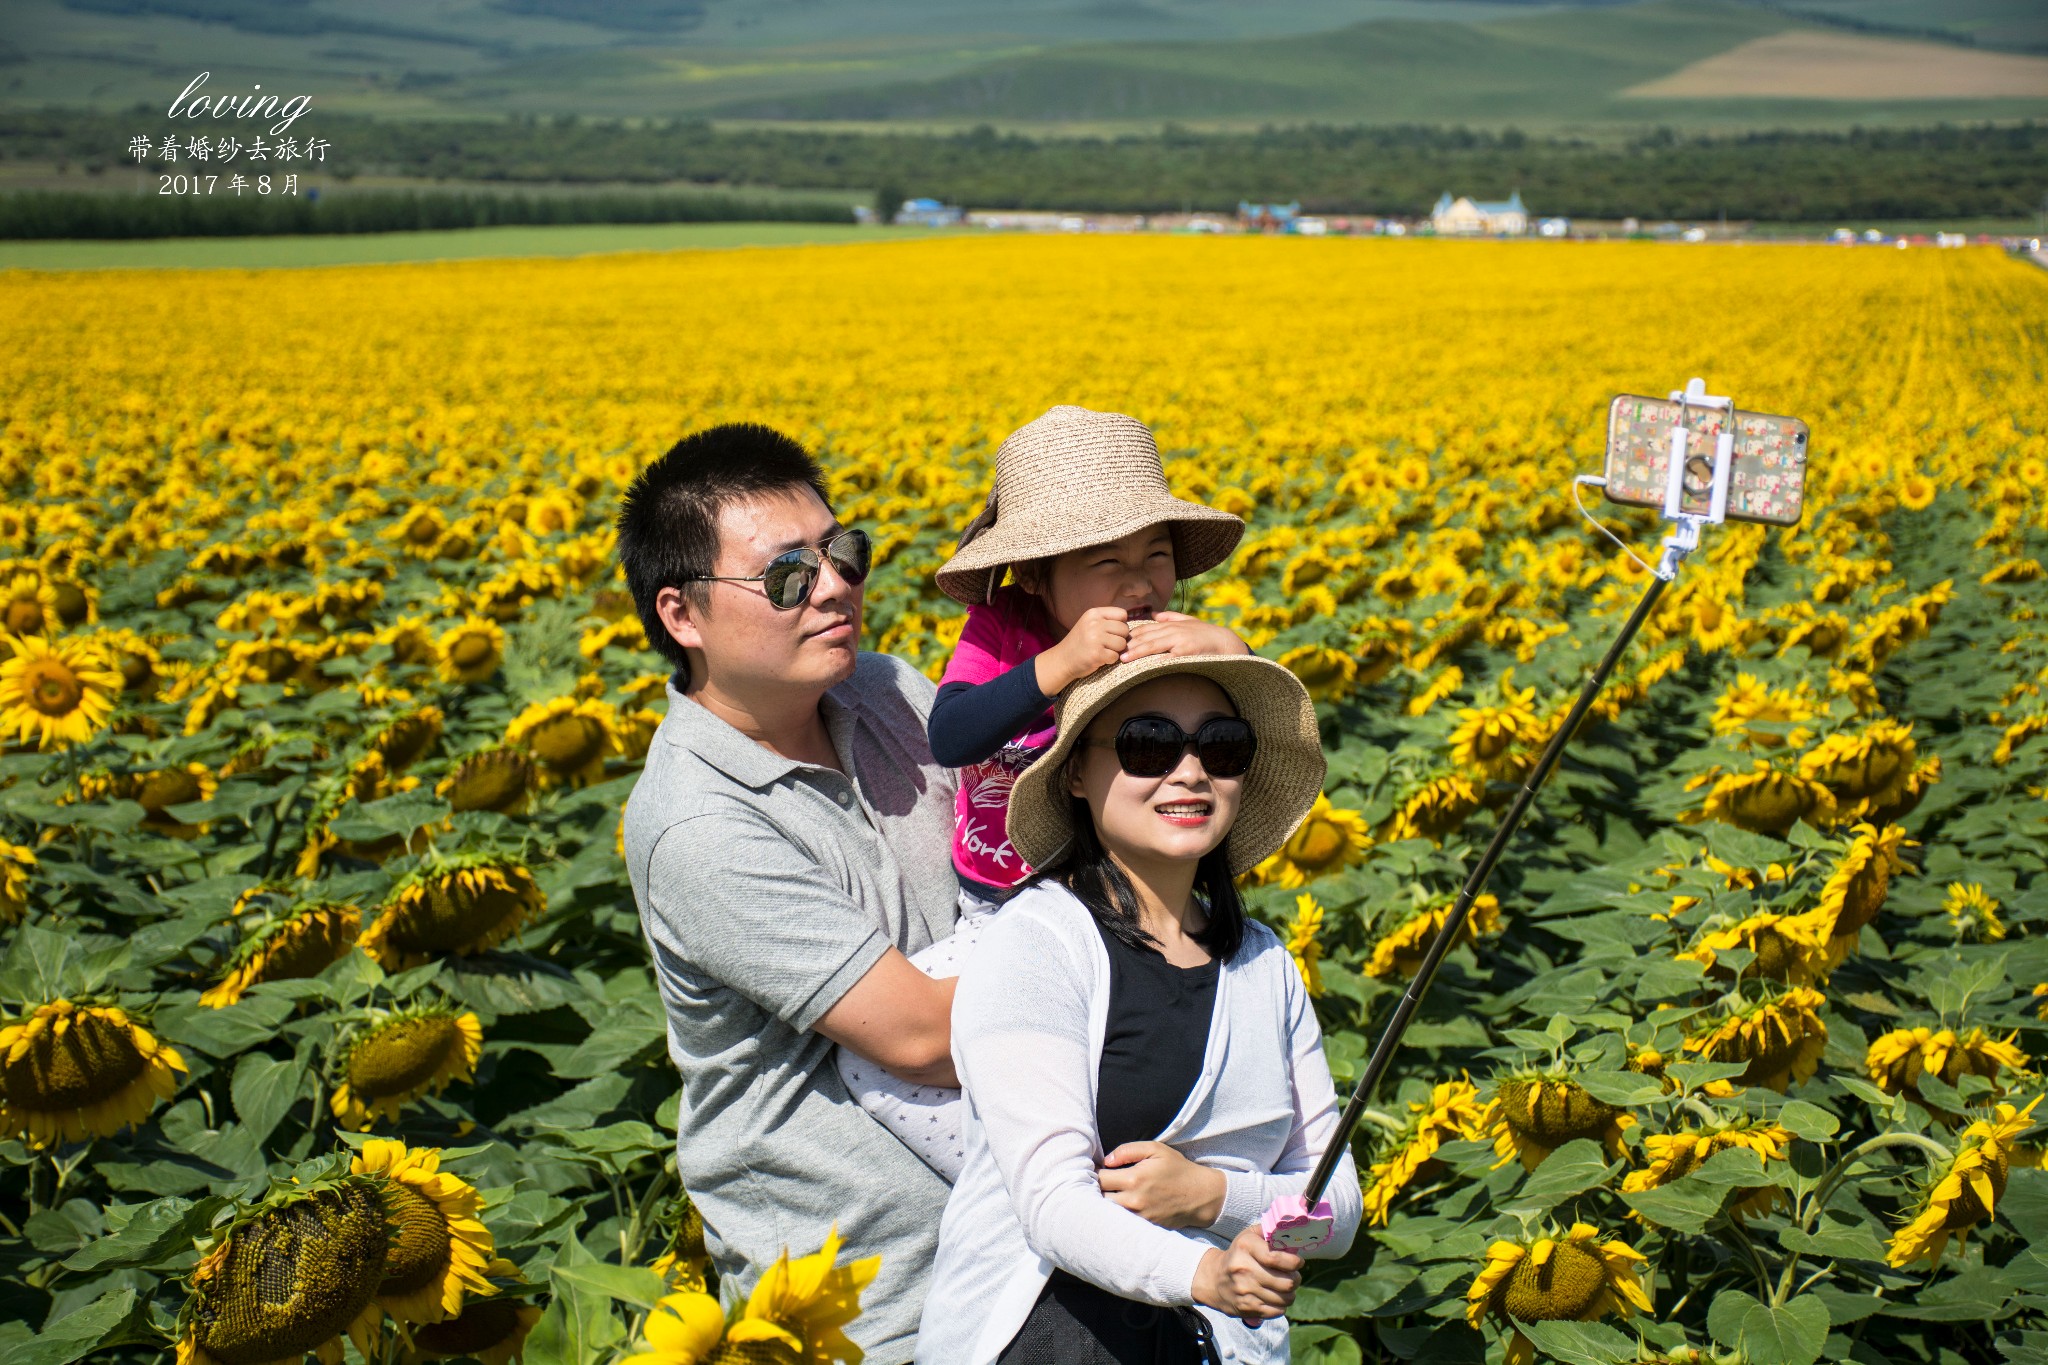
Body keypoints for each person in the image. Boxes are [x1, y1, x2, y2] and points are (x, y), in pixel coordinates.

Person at [617, 423, 962, 1364]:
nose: (836, 586)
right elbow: (923, 1037)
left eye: (841, 551)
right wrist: (1118, 970)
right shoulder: (697, 822)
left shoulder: (889, 692)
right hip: (863, 1306)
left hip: (1020, 1225)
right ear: (683, 615)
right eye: (785, 575)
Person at [835, 404, 1251, 1179]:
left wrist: (1229, 646)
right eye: (1107, 562)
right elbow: (953, 733)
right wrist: (1056, 666)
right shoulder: (1000, 629)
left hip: (1125, 905)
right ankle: (1039, 1180)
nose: (1139, 583)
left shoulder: (1165, 632)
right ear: (1036, 572)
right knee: (872, 1064)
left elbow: (1236, 737)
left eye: (1156, 555)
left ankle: (1091, 1179)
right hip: (999, 907)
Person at [917, 652, 1364, 1365]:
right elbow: (1053, 1206)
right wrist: (1207, 1271)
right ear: (1074, 772)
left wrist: (1213, 1197)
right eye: (1148, 744)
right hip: (1047, 1336)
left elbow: (1336, 1215)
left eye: (1221, 746)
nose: (1190, 772)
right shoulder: (1034, 945)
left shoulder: (1265, 966)